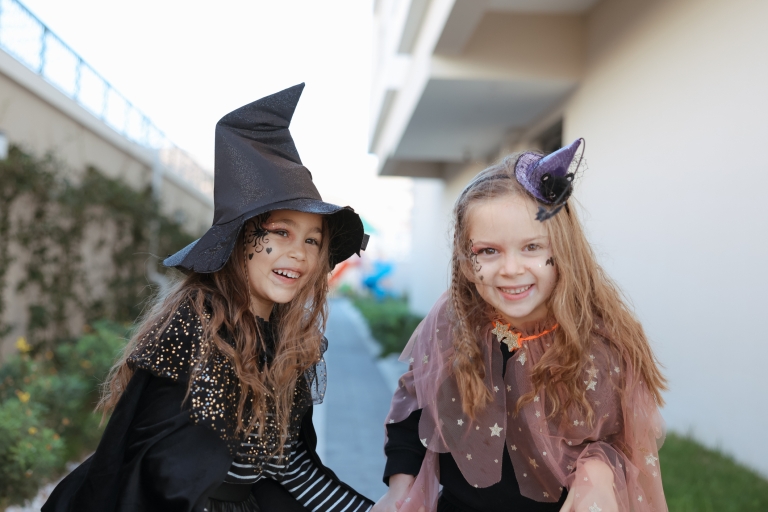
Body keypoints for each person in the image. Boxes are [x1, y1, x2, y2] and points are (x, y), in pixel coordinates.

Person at [43, 84, 374, 512]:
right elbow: (160, 470)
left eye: (313, 240)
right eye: (281, 232)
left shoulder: (280, 339)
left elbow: (288, 466)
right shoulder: (196, 327)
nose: (300, 252)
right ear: (239, 240)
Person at [373, 139, 668, 512]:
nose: (511, 269)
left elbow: (623, 444)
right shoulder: (453, 322)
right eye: (489, 251)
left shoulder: (599, 342)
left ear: (563, 251)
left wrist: (598, 471)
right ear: (465, 263)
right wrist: (400, 489)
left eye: (532, 247)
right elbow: (415, 409)